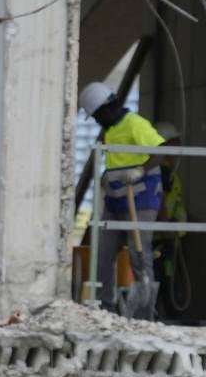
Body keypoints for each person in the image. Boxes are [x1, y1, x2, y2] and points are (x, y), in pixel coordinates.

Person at [81, 81, 166, 320]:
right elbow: (118, 162)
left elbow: (161, 150)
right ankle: (104, 308)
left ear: (109, 107)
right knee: (102, 252)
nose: (97, 121)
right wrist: (106, 177)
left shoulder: (134, 124)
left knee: (139, 255)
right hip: (116, 201)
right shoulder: (110, 131)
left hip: (141, 199)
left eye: (98, 116)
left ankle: (142, 313)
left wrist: (141, 170)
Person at [152, 121, 189, 317]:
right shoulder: (163, 173)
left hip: (169, 238)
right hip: (161, 240)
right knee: (162, 282)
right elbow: (161, 204)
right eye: (174, 143)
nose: (178, 149)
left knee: (168, 281)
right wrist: (167, 228)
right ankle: (159, 319)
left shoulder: (169, 174)